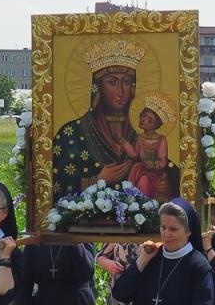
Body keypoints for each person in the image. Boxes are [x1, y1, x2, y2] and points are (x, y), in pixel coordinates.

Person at [52, 38, 180, 196]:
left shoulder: (142, 131)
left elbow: (170, 170)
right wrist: (97, 180)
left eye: (126, 82)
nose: (121, 92)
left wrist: (166, 185)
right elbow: (57, 182)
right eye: (112, 82)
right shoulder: (72, 133)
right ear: (97, 87)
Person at [127, 93, 176, 200]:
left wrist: (154, 165)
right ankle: (136, 203)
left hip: (155, 173)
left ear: (155, 125)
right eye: (143, 116)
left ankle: (145, 206)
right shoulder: (140, 137)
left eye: (150, 120)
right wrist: (123, 142)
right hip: (141, 169)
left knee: (145, 181)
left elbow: (163, 160)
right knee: (140, 176)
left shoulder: (161, 139)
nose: (144, 120)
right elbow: (135, 154)